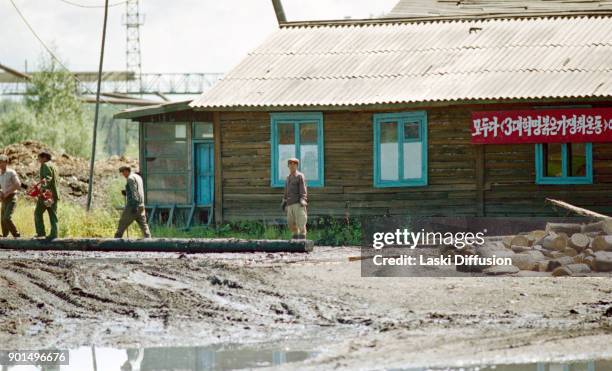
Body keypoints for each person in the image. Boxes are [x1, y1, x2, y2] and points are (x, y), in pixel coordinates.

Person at [115, 166, 151, 239]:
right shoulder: (138, 177)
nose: (123, 174)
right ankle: (149, 240)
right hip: (141, 205)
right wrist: (127, 192)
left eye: (123, 172)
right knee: (144, 225)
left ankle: (115, 241)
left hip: (133, 206)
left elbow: (134, 193)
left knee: (122, 222)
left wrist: (134, 206)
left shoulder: (130, 178)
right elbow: (137, 190)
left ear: (126, 171)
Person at [281, 158, 308, 239]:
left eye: (294, 164)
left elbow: (303, 188)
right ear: (288, 166)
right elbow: (286, 190)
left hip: (298, 203)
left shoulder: (300, 176)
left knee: (301, 222)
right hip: (289, 204)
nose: (292, 166)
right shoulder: (288, 177)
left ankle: (303, 241)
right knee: (290, 223)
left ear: (297, 166)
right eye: (290, 164)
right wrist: (284, 200)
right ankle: (295, 242)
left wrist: (303, 199)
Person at [34, 151, 59, 239]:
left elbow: (47, 178)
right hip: (54, 194)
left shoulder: (45, 165)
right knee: (53, 215)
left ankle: (41, 233)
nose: (38, 160)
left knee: (37, 213)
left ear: (44, 158)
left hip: (46, 194)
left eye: (39, 158)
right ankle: (54, 234)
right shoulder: (53, 166)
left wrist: (42, 188)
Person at [0, 154, 21, 238]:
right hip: (4, 199)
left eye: (2, 162)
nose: (0, 164)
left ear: (6, 162)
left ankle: (16, 235)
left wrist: (7, 193)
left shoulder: (11, 172)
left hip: (12, 197)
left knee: (6, 218)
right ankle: (5, 237)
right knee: (2, 220)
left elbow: (18, 184)